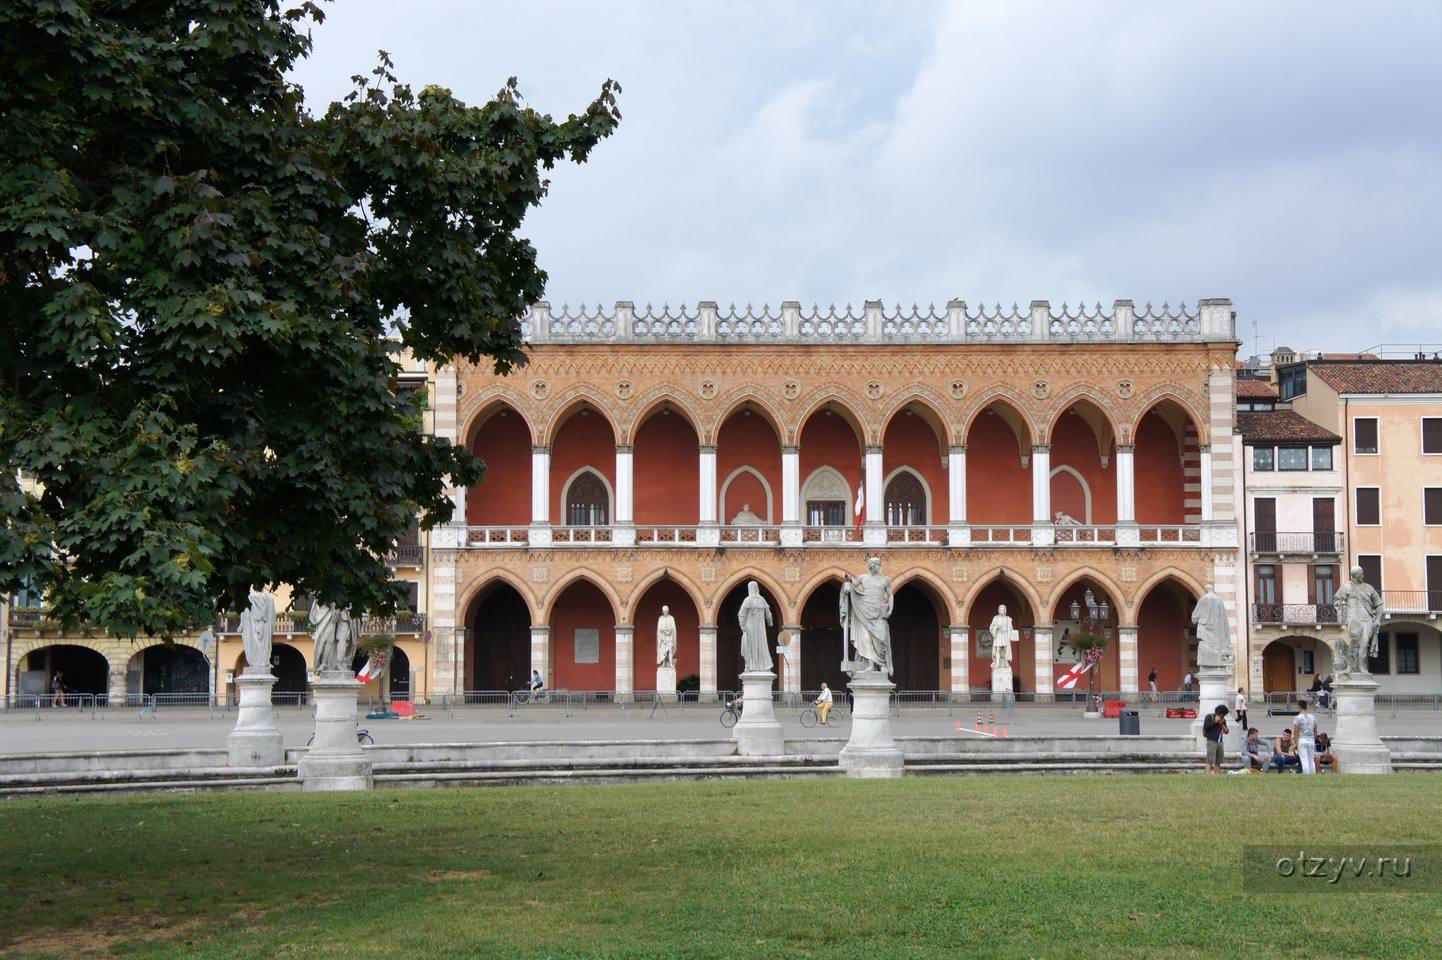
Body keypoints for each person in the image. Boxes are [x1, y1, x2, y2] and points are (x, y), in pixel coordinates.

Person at [841, 558, 894, 675]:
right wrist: (847, 585)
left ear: (878, 566)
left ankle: (881, 663)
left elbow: (890, 595)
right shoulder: (862, 578)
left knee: (881, 640)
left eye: (874, 564)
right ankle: (871, 664)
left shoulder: (885, 580)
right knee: (866, 639)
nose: (872, 566)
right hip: (864, 610)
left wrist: (890, 608)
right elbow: (852, 587)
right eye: (871, 564)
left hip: (879, 612)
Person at [1333, 566, 1384, 678]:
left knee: (1364, 643)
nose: (1363, 576)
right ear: (1355, 575)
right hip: (1353, 616)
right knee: (1354, 640)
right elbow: (1337, 598)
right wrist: (1337, 602)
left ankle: (1361, 666)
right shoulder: (1346, 587)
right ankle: (1351, 665)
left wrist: (1378, 619)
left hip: (1367, 618)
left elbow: (1379, 604)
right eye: (1361, 574)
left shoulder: (1369, 588)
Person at [738, 581, 774, 673]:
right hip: (761, 629)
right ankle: (764, 666)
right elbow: (769, 615)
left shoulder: (747, 600)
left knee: (750, 647)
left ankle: (750, 666)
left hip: (750, 629)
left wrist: (742, 626)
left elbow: (741, 615)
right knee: (762, 646)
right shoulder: (762, 600)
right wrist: (770, 623)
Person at [1293, 699, 1318, 774]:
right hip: (1311, 740)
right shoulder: (1313, 717)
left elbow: (1296, 731)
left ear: (1299, 707)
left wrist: (1295, 742)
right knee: (1311, 760)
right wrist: (1314, 739)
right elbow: (1315, 731)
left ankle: (1306, 775)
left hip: (1302, 739)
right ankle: (1312, 774)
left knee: (1304, 760)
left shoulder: (1297, 718)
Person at [1202, 705, 1229, 773]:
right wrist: (1215, 722)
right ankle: (1207, 775)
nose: (1223, 716)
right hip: (1211, 741)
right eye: (1222, 714)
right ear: (1218, 713)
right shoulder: (1209, 717)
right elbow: (1206, 726)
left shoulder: (1223, 720)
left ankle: (1216, 775)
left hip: (1220, 741)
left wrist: (1222, 724)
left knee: (1218, 761)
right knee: (1210, 760)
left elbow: (1226, 731)